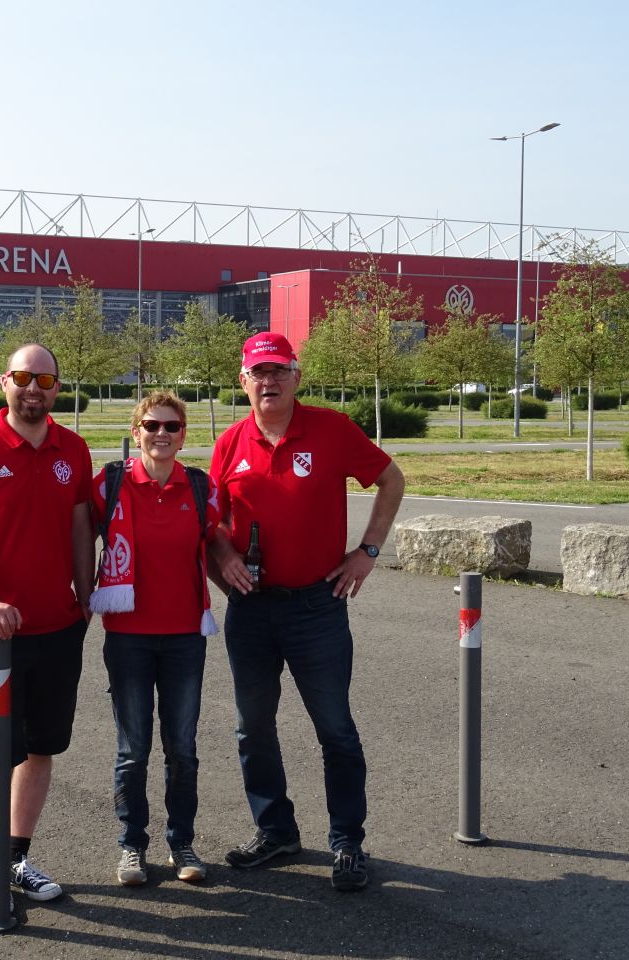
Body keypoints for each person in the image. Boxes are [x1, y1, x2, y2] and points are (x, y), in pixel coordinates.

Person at [208, 331, 405, 892]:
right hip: (251, 611)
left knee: (335, 728)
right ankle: (276, 832)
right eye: (257, 373)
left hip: (317, 607)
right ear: (243, 381)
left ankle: (347, 840)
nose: (267, 382)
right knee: (253, 728)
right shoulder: (230, 443)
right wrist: (223, 556)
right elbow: (212, 526)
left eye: (278, 371)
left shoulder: (331, 429)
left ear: (297, 376)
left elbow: (391, 479)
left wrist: (367, 553)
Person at [0, 343, 94, 915]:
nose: (34, 388)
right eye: (23, 377)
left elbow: (82, 526)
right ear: (3, 382)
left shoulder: (72, 449)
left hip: (58, 627)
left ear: (57, 387)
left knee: (42, 749)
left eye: (45, 378)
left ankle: (17, 858)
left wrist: (86, 593)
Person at [90, 392, 220, 888]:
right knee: (133, 749)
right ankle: (131, 846)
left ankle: (181, 842)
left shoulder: (200, 487)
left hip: (187, 635)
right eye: (151, 425)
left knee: (182, 749)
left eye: (171, 426)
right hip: (128, 637)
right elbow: (77, 534)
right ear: (136, 430)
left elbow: (219, 544)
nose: (161, 434)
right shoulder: (111, 484)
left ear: (183, 432)